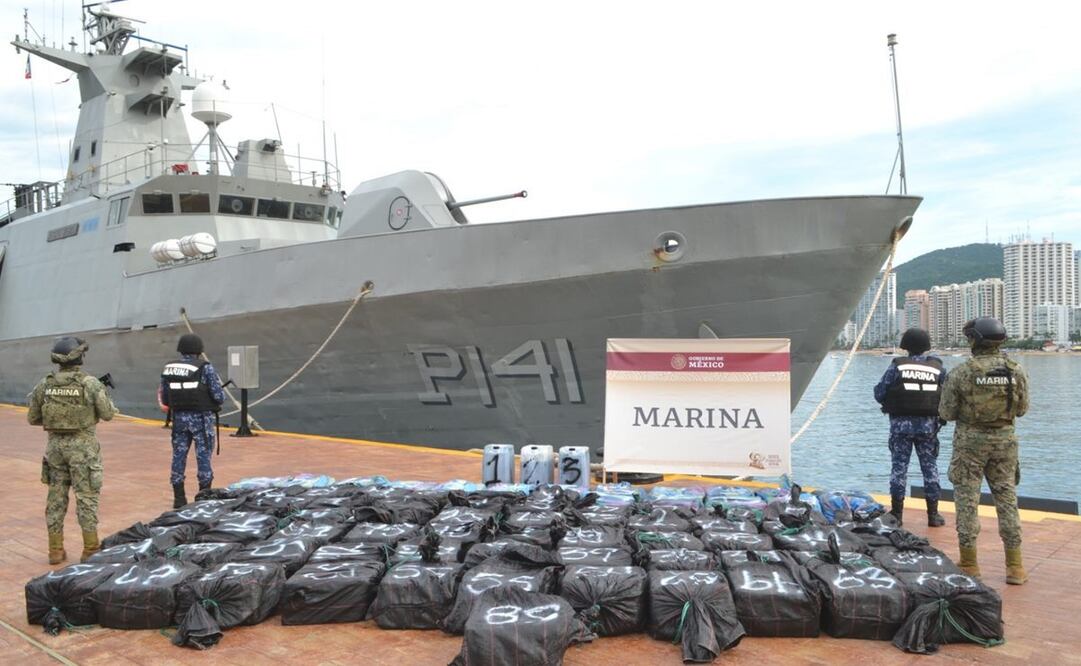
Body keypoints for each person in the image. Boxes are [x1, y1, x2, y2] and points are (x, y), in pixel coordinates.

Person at [939, 316, 1029, 584]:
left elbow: (946, 412)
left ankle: (969, 563)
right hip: (1005, 442)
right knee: (1007, 499)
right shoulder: (1016, 371)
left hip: (970, 444)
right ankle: (1015, 567)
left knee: (967, 501)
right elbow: (1022, 409)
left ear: (974, 340)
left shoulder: (962, 372)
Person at [26, 337, 117, 564]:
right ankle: (90, 550)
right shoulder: (90, 384)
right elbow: (108, 414)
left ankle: (55, 551)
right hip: (83, 450)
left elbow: (33, 418)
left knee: (56, 497)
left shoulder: (44, 384)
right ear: (79, 357)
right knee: (86, 498)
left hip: (55, 449)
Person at [874, 328, 947, 527]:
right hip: (928, 428)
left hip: (901, 427)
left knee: (899, 469)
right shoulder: (937, 367)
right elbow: (947, 397)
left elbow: (879, 392)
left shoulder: (897, 366)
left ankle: (897, 515)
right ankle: (933, 515)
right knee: (930, 468)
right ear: (926, 346)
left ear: (905, 346)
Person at [161, 334, 224, 508]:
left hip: (179, 419)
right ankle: (203, 499)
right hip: (201, 420)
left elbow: (165, 398)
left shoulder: (169, 368)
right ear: (199, 350)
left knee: (178, 456)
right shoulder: (205, 368)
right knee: (203, 458)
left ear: (180, 349)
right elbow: (219, 396)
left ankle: (179, 499)